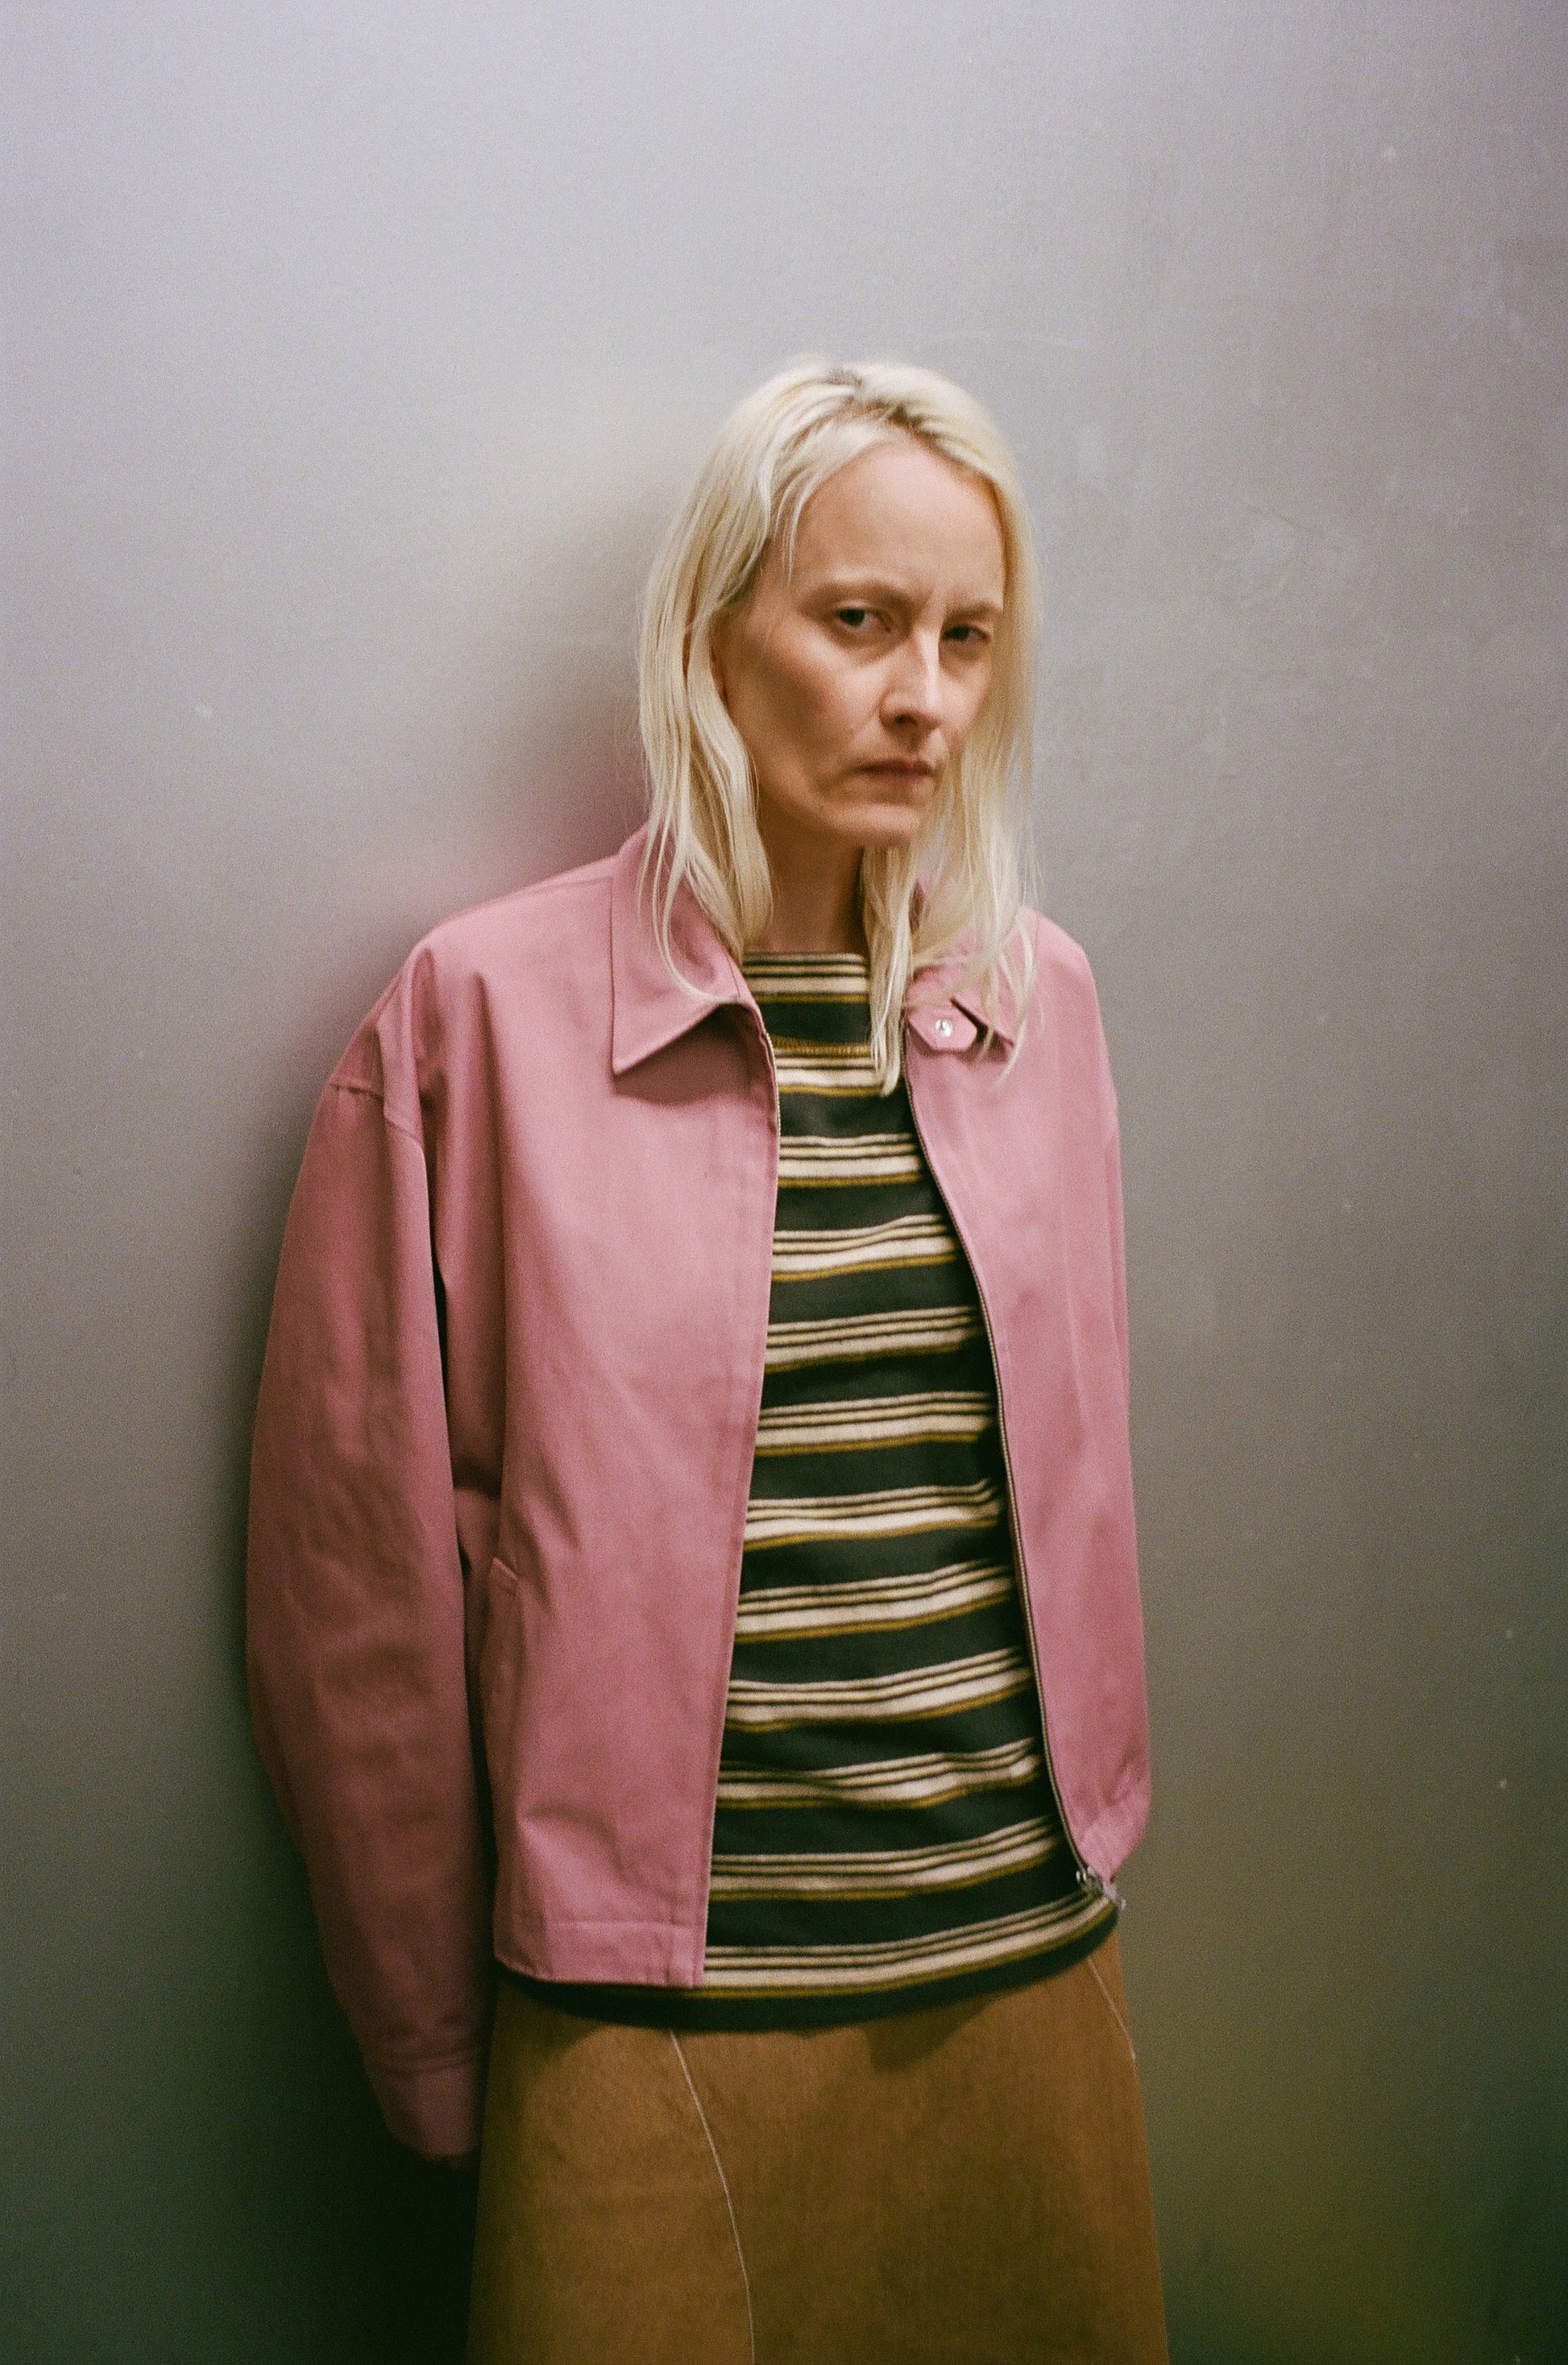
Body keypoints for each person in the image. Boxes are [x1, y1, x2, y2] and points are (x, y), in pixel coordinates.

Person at [247, 359, 1165, 2363]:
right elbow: (356, 1608)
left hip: (1020, 1975)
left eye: (966, 637)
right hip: (650, 2031)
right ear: (712, 633)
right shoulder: (475, 1022)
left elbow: (1061, 1478)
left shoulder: (1035, 1001)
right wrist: (430, 2044)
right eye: (857, 624)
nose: (924, 694)